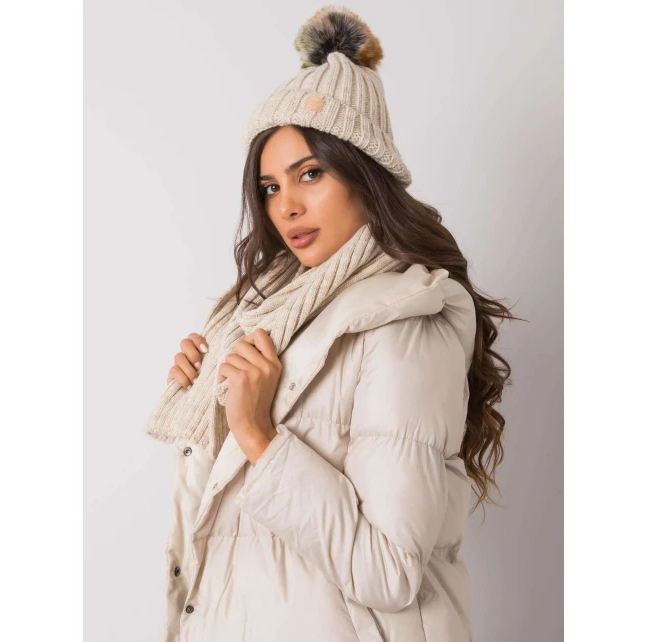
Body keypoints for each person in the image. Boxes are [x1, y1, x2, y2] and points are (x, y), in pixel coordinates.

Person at [145, 6, 518, 642]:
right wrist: (212, 395)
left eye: (310, 175)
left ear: (365, 175)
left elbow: (388, 571)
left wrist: (257, 434)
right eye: (269, 187)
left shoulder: (404, 322)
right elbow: (234, 535)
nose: (286, 206)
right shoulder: (267, 311)